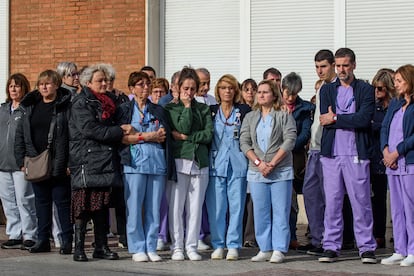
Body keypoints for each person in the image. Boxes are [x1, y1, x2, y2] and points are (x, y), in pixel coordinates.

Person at [318, 47, 377, 264]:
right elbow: (324, 118)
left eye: (345, 65)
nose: (341, 69)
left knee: (361, 202)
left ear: (353, 65)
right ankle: (331, 246)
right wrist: (335, 119)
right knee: (332, 202)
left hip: (356, 153)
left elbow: (363, 119)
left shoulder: (365, 89)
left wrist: (336, 119)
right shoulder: (326, 90)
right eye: (338, 65)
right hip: (332, 155)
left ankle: (367, 247)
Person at [68, 64, 129, 262]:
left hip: (105, 160)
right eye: (99, 80)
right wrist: (120, 131)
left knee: (102, 205)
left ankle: (101, 246)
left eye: (106, 80)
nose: (104, 83)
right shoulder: (80, 102)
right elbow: (91, 130)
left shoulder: (109, 101)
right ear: (88, 83)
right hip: (86, 160)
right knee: (83, 207)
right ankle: (79, 248)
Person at [116, 71, 175, 262]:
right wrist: (149, 136)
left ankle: (151, 246)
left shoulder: (158, 110)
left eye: (147, 84)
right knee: (134, 207)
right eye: (140, 84)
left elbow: (164, 136)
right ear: (132, 89)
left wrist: (137, 135)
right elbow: (122, 138)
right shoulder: (124, 110)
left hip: (156, 163)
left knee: (154, 208)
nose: (145, 87)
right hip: (134, 165)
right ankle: (137, 247)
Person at [299, 49, 354, 256]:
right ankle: (317, 238)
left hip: (330, 149)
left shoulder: (338, 88)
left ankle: (332, 240)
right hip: (314, 148)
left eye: (323, 66)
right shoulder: (322, 87)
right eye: (316, 67)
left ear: (333, 65)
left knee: (330, 196)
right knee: (311, 194)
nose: (319, 71)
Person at [14, 70, 73, 254]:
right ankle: (42, 240)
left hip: (59, 162)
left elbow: (72, 135)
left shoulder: (65, 106)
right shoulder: (30, 106)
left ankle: (66, 240)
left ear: (56, 85)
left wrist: (70, 162)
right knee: (41, 203)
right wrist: (21, 161)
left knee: (62, 202)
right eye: (41, 84)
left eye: (48, 83)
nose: (44, 87)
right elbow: (20, 135)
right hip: (36, 161)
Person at [240, 79, 297, 263]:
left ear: (274, 95)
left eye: (265, 92)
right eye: (259, 92)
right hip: (257, 171)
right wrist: (258, 163)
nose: (261, 95)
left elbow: (290, 140)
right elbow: (244, 142)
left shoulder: (283, 115)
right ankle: (264, 248)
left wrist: (272, 163)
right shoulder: (250, 117)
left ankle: (279, 248)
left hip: (280, 171)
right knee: (260, 210)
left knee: (281, 210)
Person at [165, 66, 213, 261]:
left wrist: (189, 137)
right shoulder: (171, 108)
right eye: (186, 88)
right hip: (179, 161)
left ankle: (191, 245)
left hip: (199, 162)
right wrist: (185, 107)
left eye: (193, 88)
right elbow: (181, 126)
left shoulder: (203, 108)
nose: (189, 92)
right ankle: (177, 246)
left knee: (195, 208)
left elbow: (208, 134)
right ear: (178, 87)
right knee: (176, 207)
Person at [206, 74, 251, 261]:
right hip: (216, 164)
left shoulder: (244, 110)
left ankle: (233, 245)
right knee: (216, 207)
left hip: (238, 163)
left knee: (237, 206)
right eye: (224, 88)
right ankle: (218, 244)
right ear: (218, 90)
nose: (227, 91)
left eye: (231, 88)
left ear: (236, 91)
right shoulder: (210, 111)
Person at [380, 64, 414, 267]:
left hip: (408, 162)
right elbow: (385, 127)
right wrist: (385, 150)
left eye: (400, 80)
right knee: (397, 209)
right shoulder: (394, 104)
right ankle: (400, 249)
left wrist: (397, 151)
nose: (396, 84)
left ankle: (412, 249)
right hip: (391, 164)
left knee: (411, 208)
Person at [0, 73, 37, 250]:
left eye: (17, 86)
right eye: (11, 86)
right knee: (8, 201)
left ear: (24, 88)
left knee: (25, 199)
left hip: (21, 164)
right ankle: (14, 233)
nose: (14, 89)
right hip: (2, 164)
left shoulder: (27, 110)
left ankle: (29, 234)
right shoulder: (2, 109)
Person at [281, 72, 315, 250]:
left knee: (294, 200)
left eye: (294, 93)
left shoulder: (306, 108)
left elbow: (305, 134)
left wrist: (287, 145)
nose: (290, 97)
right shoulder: (274, 105)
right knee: (283, 201)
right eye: (287, 93)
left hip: (296, 159)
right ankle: (282, 236)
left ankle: (294, 236)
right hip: (276, 159)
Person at [370, 69, 394, 249]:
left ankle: (384, 234)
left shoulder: (396, 106)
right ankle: (375, 234)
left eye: (380, 88)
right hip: (373, 155)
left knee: (386, 198)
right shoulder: (373, 105)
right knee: (373, 198)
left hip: (391, 156)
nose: (376, 92)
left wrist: (375, 125)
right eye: (375, 88)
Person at [239, 78, 258, 248]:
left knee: (253, 198)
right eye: (246, 89)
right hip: (241, 157)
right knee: (240, 197)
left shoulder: (261, 110)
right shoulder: (239, 111)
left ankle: (250, 236)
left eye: (253, 89)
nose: (250, 92)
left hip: (256, 158)